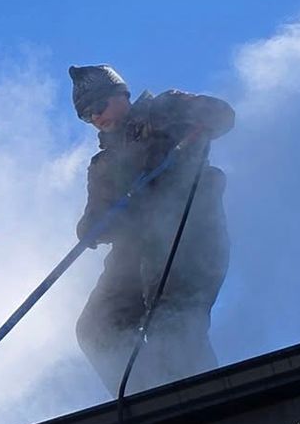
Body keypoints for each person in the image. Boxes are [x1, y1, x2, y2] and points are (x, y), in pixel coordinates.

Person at [68, 64, 235, 392]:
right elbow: (98, 219)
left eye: (99, 105)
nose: (96, 117)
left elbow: (222, 115)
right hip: (134, 252)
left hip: (187, 235)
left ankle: (206, 399)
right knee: (97, 325)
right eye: (87, 115)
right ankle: (142, 395)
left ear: (121, 95)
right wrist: (90, 229)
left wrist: (196, 122)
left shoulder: (165, 108)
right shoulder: (102, 165)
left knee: (172, 322)